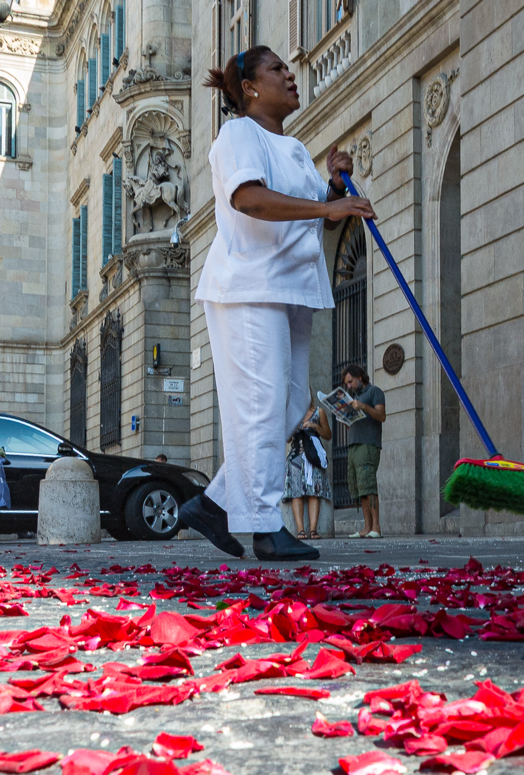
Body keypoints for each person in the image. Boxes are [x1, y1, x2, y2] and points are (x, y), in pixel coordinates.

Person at [178, 46, 375, 561]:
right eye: (277, 69)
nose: (290, 75)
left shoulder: (291, 147)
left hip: (290, 290)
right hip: (248, 287)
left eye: (289, 68)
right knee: (262, 407)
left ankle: (213, 505)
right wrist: (325, 202)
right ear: (249, 88)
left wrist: (332, 187)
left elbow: (317, 217)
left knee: (289, 407)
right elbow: (249, 199)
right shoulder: (237, 134)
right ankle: (265, 528)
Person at [342, 364, 385, 538]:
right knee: (359, 487)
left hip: (368, 445)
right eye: (347, 384)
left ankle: (376, 527)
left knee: (368, 484)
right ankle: (367, 527)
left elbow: (381, 416)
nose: (349, 386)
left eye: (350, 382)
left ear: (360, 377)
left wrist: (363, 407)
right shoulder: (356, 397)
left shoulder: (374, 392)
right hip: (354, 444)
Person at [284, 402, 332, 539]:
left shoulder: (319, 412)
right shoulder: (292, 413)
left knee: (314, 492)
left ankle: (313, 530)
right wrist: (292, 425)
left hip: (313, 456)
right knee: (296, 492)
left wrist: (315, 426)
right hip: (295, 456)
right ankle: (300, 529)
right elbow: (287, 439)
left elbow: (328, 435)